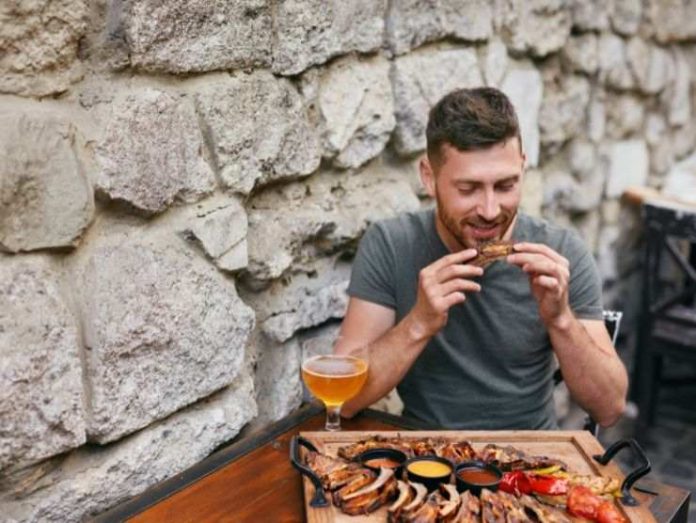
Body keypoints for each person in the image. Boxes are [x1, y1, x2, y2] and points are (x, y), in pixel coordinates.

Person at [334, 87, 628, 430]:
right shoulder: (391, 244)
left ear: (522, 167)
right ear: (429, 177)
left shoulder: (562, 252)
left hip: (531, 460)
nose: (490, 211)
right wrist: (419, 323)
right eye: (468, 189)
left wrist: (560, 319)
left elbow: (610, 409)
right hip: (426, 456)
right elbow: (342, 401)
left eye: (505, 186)